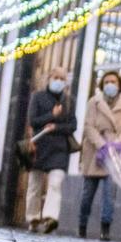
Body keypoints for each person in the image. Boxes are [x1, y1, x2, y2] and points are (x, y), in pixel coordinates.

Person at [77, 69, 121, 240]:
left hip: (115, 154)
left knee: (109, 194)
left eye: (113, 82)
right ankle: (82, 225)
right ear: (102, 84)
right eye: (107, 82)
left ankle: (105, 228)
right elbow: (88, 126)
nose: (110, 85)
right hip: (95, 152)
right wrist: (102, 145)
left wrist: (118, 142)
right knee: (88, 193)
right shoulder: (94, 102)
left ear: (119, 85)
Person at [24, 72, 77, 233]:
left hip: (59, 148)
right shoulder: (38, 97)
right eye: (56, 78)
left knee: (55, 183)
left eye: (62, 79)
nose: (59, 81)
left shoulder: (68, 101)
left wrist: (57, 127)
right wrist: (50, 116)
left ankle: (50, 218)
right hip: (39, 146)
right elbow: (33, 120)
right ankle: (33, 218)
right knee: (35, 185)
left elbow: (73, 125)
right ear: (49, 79)